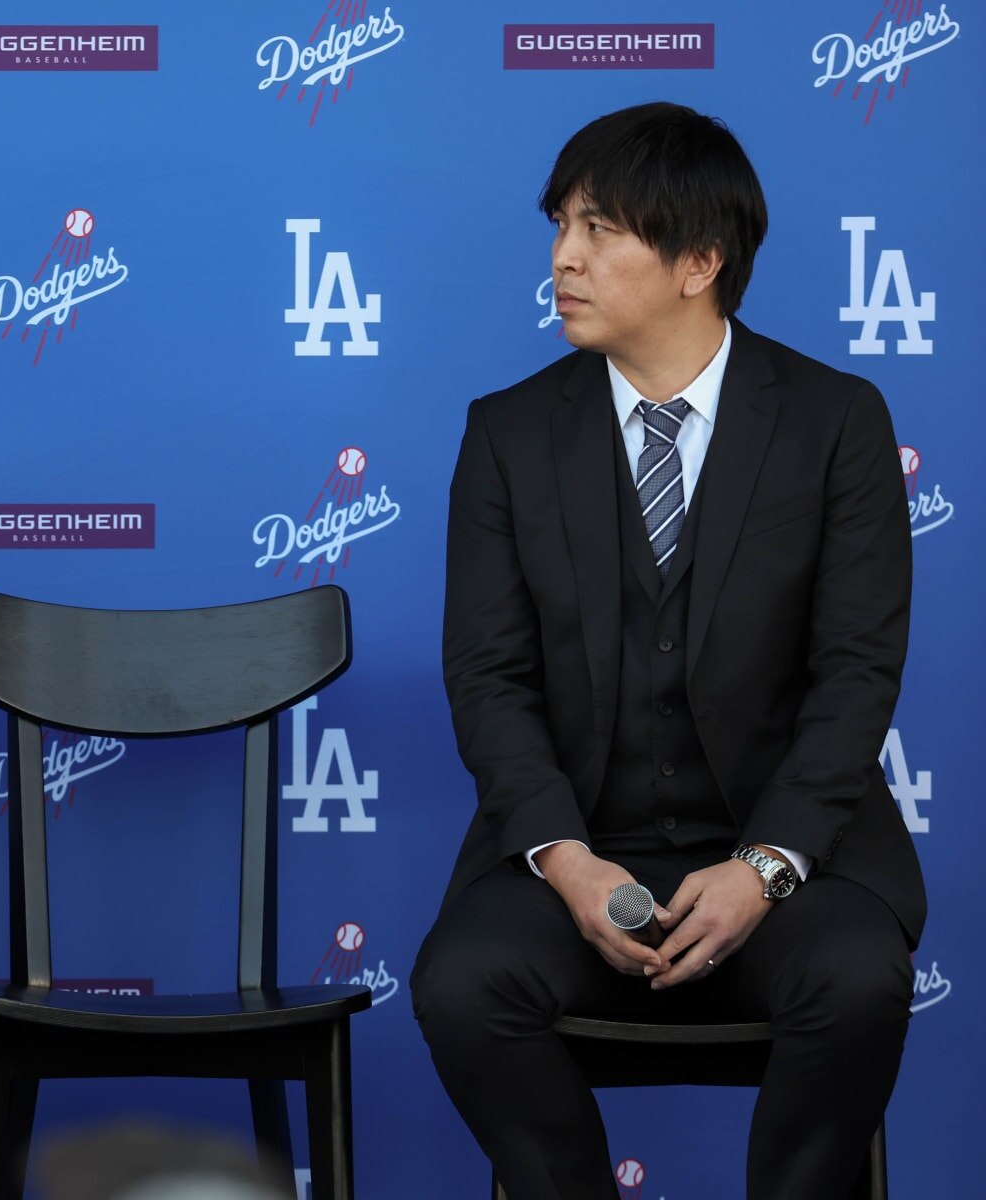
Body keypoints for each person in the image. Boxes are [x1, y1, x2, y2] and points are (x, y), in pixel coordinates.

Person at [410, 102, 924, 1200]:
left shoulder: (837, 421)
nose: (563, 257)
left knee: (859, 980)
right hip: (582, 854)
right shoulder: (506, 434)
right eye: (559, 225)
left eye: (600, 229)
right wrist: (567, 859)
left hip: (788, 860)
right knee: (461, 985)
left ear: (700, 260)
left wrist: (763, 868)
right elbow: (488, 677)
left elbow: (856, 675)